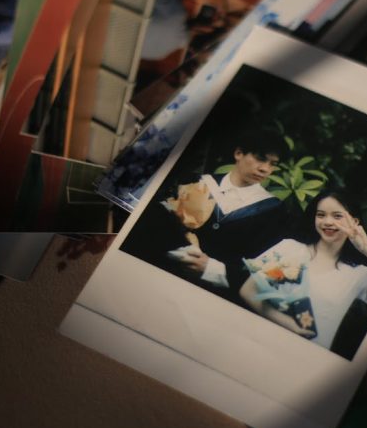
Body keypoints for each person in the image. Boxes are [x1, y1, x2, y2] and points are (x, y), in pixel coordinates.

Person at [120, 129, 288, 304]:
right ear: (239, 153)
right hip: (158, 277)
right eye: (260, 158)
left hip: (209, 298)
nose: (265, 169)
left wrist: (213, 269)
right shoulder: (197, 183)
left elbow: (260, 267)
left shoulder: (273, 211)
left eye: (273, 164)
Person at [239, 187, 367, 351]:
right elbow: (248, 290)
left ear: (355, 222)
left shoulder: (358, 274)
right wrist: (289, 324)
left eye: (337, 216)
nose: (328, 222)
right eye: (321, 215)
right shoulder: (288, 248)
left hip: (312, 357)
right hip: (264, 344)